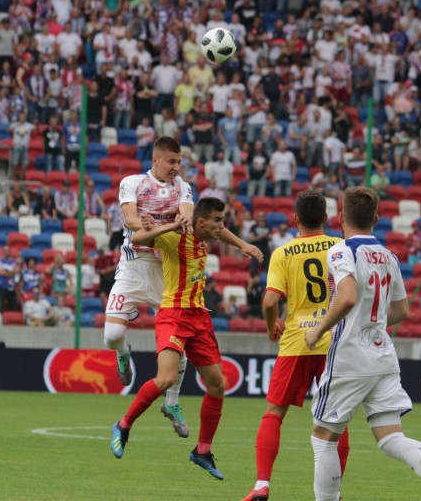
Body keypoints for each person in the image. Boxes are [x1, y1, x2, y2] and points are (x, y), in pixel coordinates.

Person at [304, 186, 421, 501]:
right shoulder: (387, 255)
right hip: (382, 354)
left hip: (350, 355)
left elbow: (348, 296)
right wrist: (375, 322)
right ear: (377, 218)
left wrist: (319, 330)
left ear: (340, 217)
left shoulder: (341, 251)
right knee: (390, 437)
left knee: (323, 438)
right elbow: (402, 310)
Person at [103, 136, 262, 441]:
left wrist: (240, 243)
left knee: (182, 335)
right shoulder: (133, 182)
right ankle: (123, 352)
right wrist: (147, 224)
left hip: (167, 268)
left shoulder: (183, 188)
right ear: (155, 160)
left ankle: (172, 403)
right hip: (133, 268)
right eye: (171, 162)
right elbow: (131, 220)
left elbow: (191, 218)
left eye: (179, 162)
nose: (176, 168)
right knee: (111, 335)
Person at [242, 190, 350, 501]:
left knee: (274, 413)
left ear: (296, 219)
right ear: (327, 219)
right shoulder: (340, 247)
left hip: (296, 342)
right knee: (336, 420)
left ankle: (262, 485)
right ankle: (335, 491)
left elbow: (270, 301)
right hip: (334, 340)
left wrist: (271, 326)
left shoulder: (283, 253)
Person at [110, 197, 228, 481]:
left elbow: (222, 232)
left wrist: (245, 246)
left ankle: (202, 451)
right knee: (165, 379)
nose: (221, 227)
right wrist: (167, 226)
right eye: (217, 221)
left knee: (217, 385)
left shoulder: (203, 237)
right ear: (200, 222)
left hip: (199, 318)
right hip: (173, 316)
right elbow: (138, 237)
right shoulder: (174, 239)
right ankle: (123, 425)